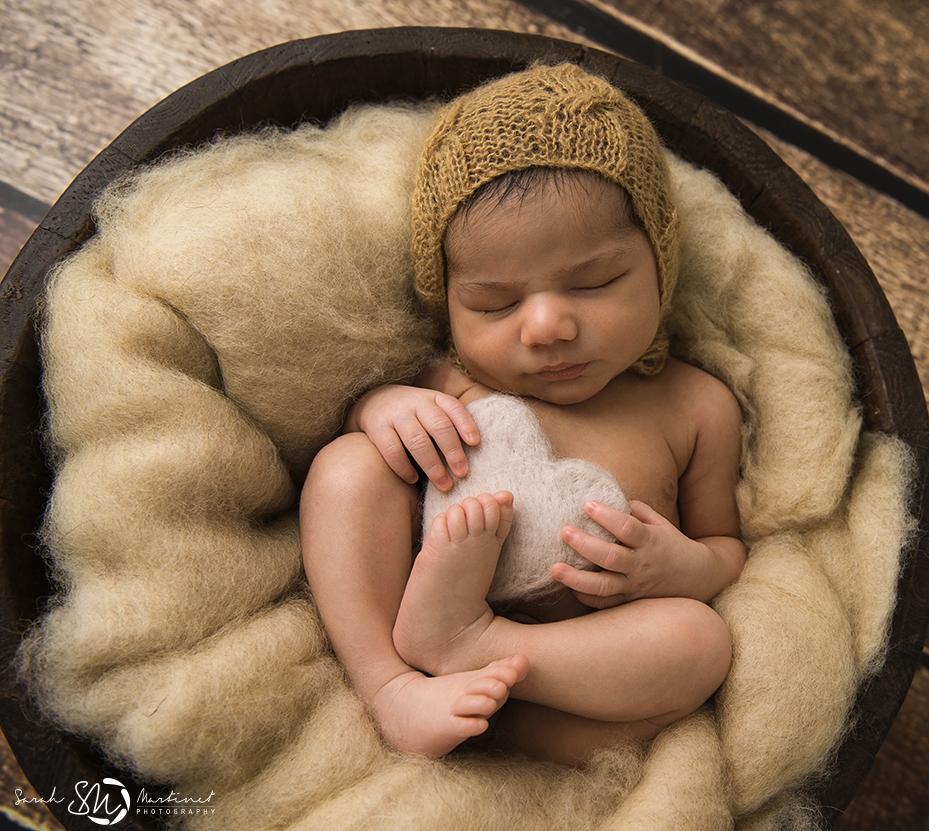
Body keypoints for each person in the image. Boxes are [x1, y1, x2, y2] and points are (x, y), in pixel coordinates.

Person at [300, 63, 745, 766]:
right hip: (408, 614)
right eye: (494, 304)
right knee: (348, 466)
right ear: (447, 302)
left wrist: (684, 567)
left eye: (594, 282)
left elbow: (726, 548)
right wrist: (381, 406)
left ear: (659, 262)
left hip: (572, 661)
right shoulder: (451, 379)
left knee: (699, 642)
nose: (545, 326)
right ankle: (389, 688)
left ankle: (479, 660)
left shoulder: (696, 406)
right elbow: (365, 428)